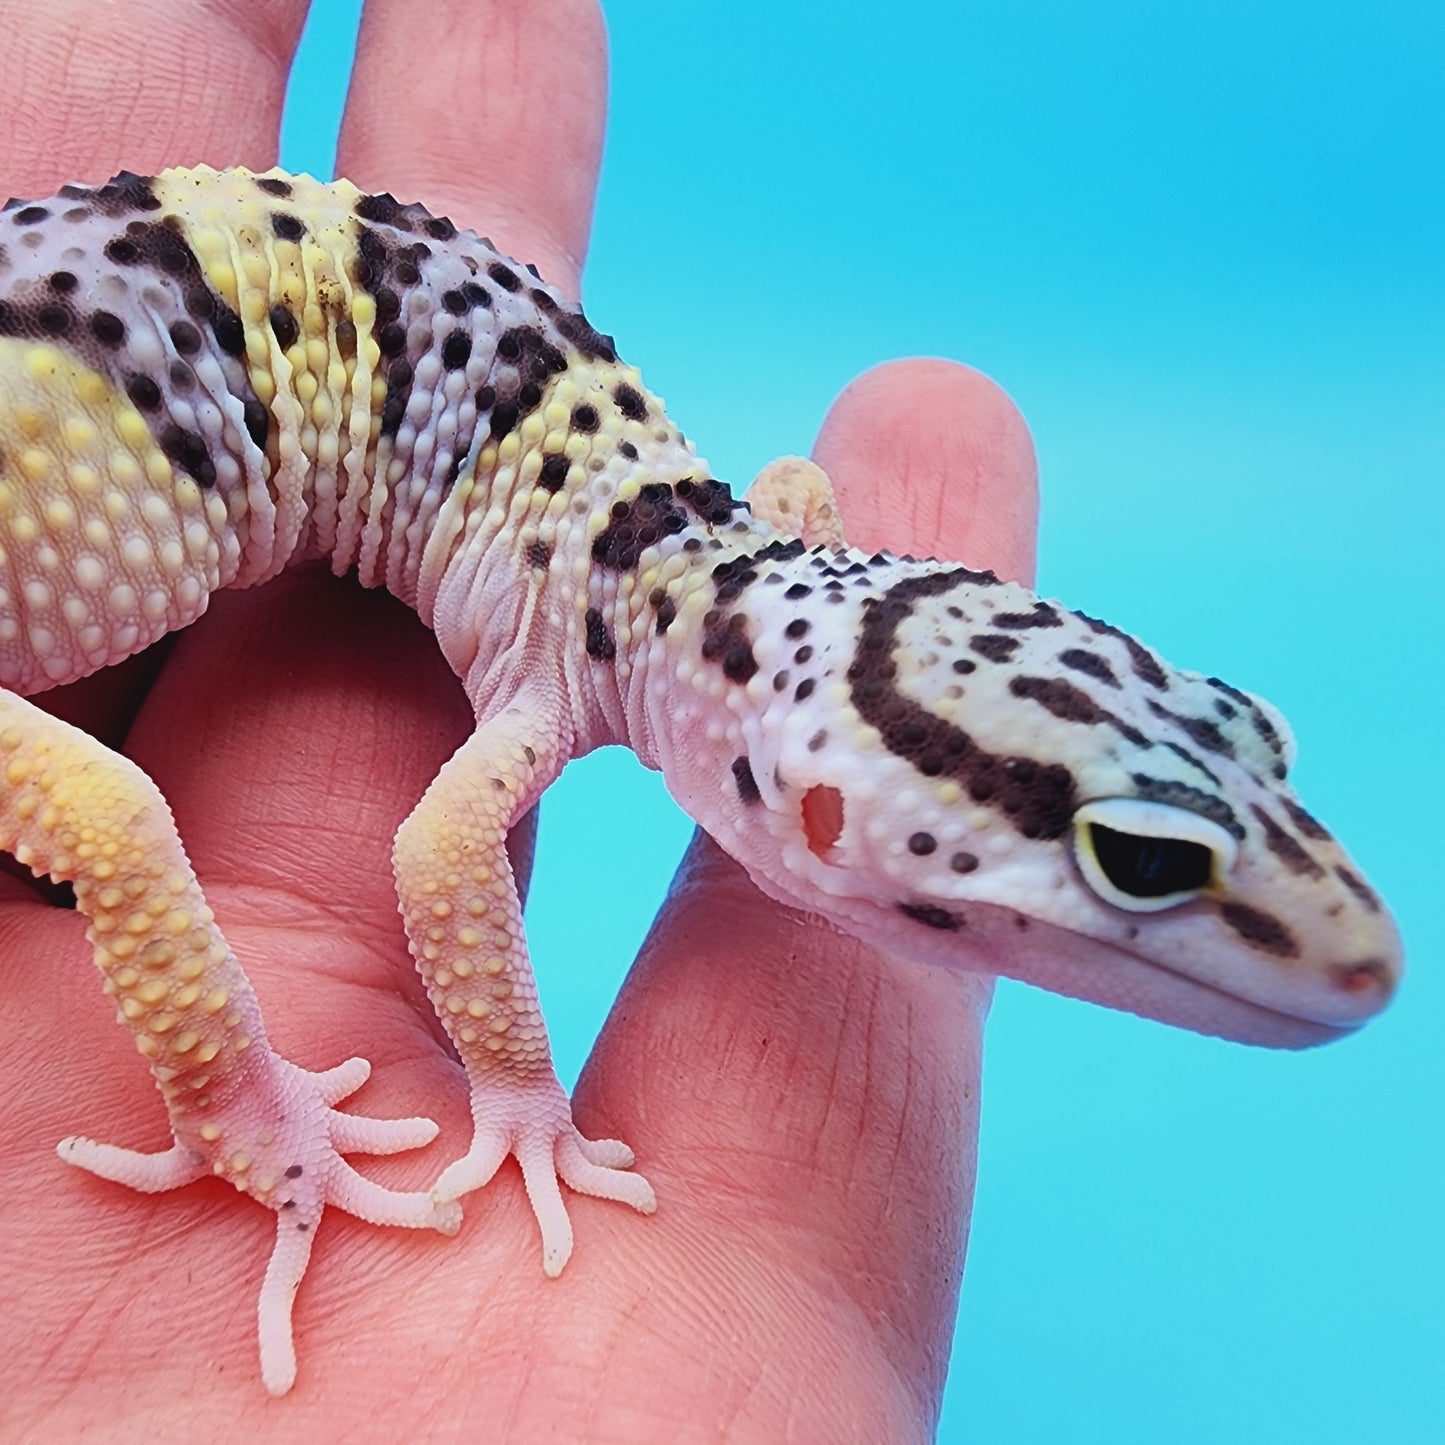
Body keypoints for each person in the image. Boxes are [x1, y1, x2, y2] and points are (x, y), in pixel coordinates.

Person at [0, 0, 1038, 1435]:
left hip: (252, 333)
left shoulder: (705, 587)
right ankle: (233, 1117)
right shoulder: (699, 592)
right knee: (105, 814)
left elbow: (799, 495)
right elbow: (402, 849)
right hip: (244, 349)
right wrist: (252, 1094)